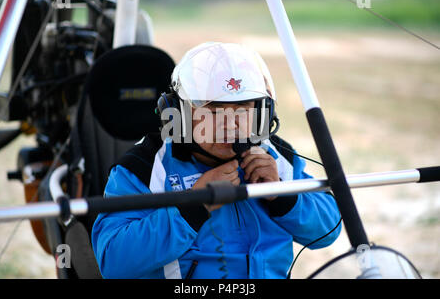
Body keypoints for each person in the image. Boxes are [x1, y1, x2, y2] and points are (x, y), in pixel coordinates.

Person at [91, 42, 341, 279]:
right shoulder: (144, 166)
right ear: (179, 113)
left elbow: (327, 232)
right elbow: (113, 262)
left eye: (243, 108)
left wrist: (282, 195)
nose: (230, 124)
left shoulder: (277, 156)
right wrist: (193, 206)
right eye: (213, 110)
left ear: (263, 113)